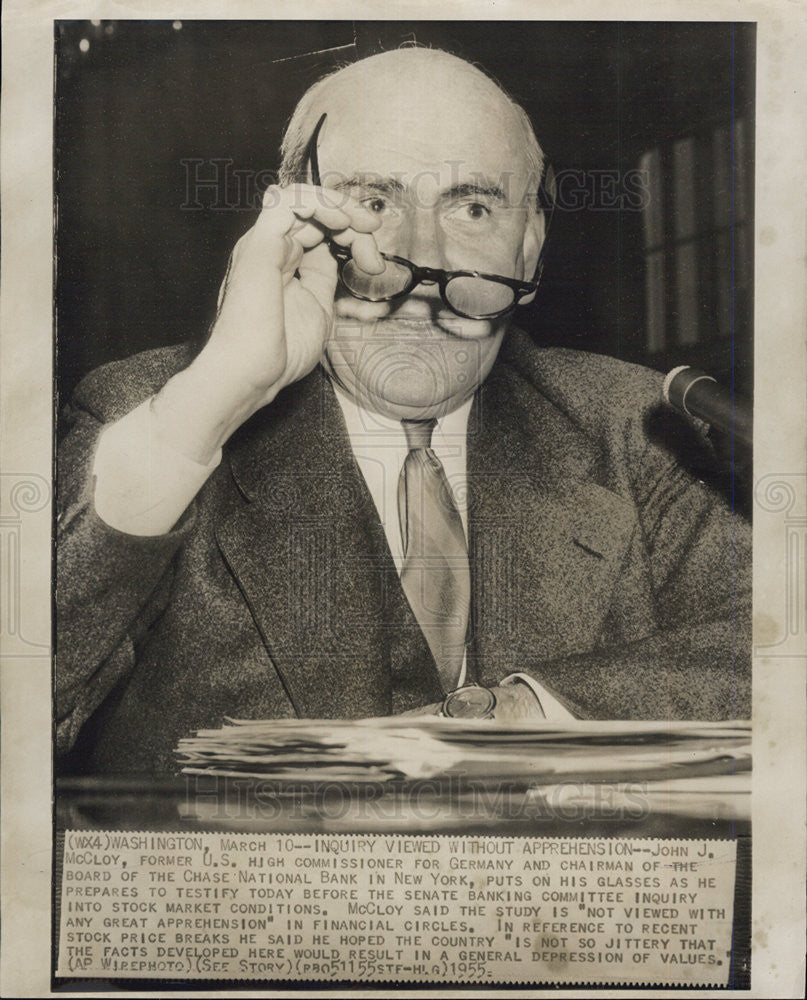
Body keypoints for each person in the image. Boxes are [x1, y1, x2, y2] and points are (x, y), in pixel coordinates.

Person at [56, 47, 751, 774]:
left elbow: (774, 650)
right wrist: (209, 402)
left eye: (473, 206)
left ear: (530, 249)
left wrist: (517, 723)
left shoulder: (639, 428)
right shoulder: (155, 417)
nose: (422, 260)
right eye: (374, 203)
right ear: (288, 222)